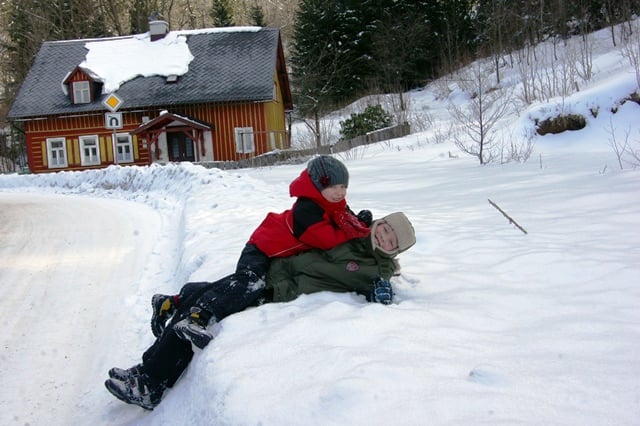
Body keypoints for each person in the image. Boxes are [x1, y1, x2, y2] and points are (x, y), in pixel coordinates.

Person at [105, 212, 416, 410]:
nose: (383, 236)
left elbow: (378, 294)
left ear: (394, 251)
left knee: (199, 308)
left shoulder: (376, 271)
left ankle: (150, 381)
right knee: (202, 297)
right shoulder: (355, 231)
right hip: (273, 265)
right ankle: (147, 373)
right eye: (385, 228)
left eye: (391, 240)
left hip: (276, 290)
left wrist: (380, 294)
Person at [151, 155, 372, 344]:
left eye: (343, 186)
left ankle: (172, 301)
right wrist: (357, 232)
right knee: (248, 284)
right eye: (333, 186)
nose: (340, 192)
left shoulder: (333, 204)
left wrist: (360, 223)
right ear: (317, 185)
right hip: (261, 248)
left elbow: (346, 219)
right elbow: (328, 240)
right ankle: (196, 317)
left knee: (236, 287)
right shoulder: (307, 208)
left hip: (275, 253)